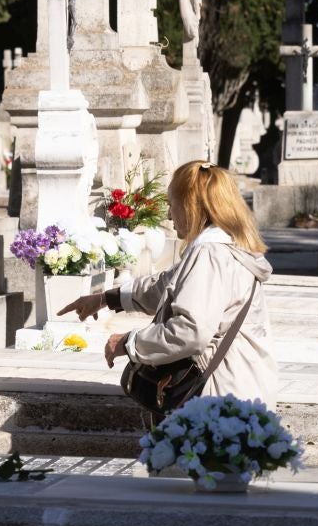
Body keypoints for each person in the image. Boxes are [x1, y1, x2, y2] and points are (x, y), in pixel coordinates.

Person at [66, 160, 278, 405]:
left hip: (219, 395)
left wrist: (130, 342)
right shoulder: (226, 247)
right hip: (240, 383)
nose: (168, 215)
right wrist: (106, 299)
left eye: (172, 205)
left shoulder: (210, 253)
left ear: (191, 206)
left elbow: (190, 330)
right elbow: (166, 285)